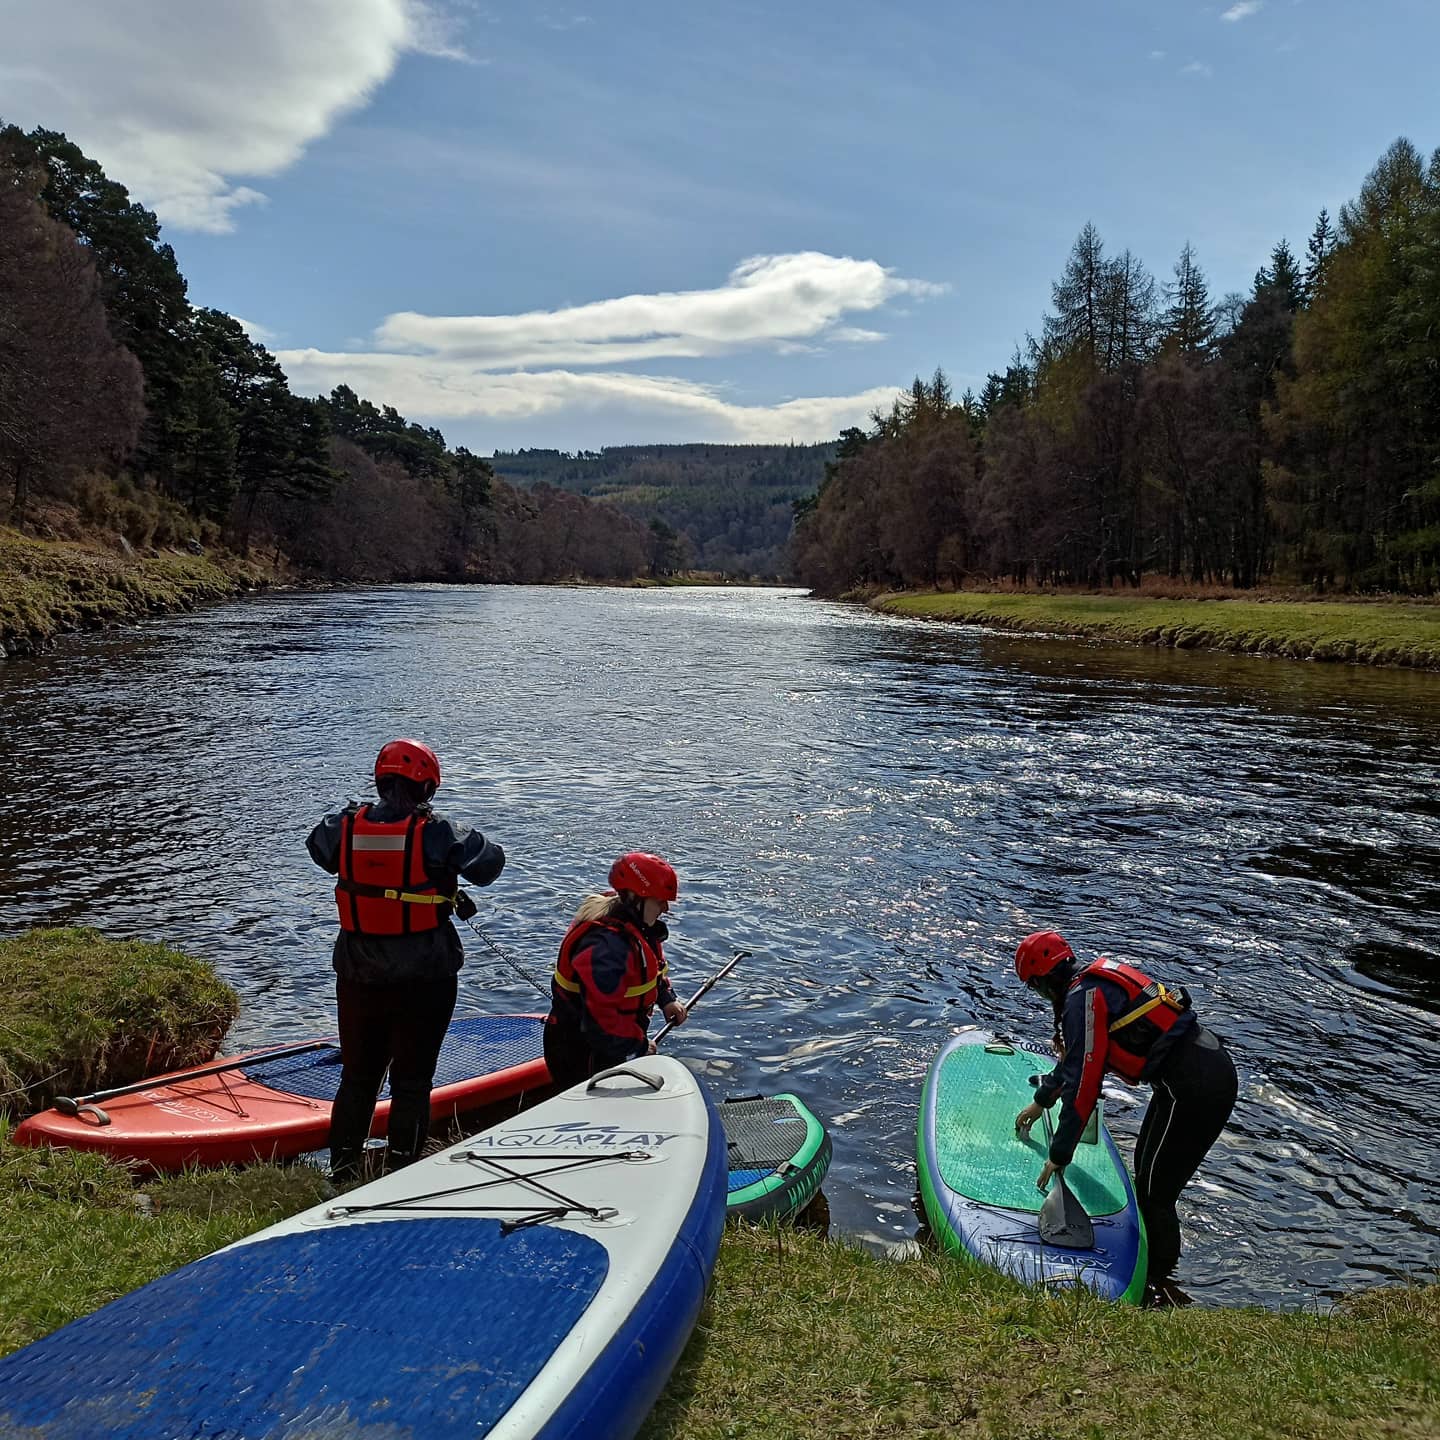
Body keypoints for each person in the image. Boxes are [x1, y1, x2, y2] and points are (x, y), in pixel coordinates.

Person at [307, 738, 504, 1181]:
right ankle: (401, 1171)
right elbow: (490, 865)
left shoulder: (342, 827)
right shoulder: (437, 833)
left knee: (358, 1078)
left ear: (380, 780)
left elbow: (316, 847)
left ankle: (340, 1174)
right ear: (427, 787)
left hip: (357, 974)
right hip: (426, 977)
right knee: (412, 1082)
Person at [1012, 929, 1238, 1307]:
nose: (1038, 996)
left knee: (1156, 1193)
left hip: (1198, 1088)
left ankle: (1158, 1289)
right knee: (1146, 1177)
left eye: (1034, 988)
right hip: (1185, 1082)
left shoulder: (1082, 998)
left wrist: (1059, 1153)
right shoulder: (1089, 988)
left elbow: (1084, 1085)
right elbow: (1075, 1063)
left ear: (1044, 980)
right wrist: (1042, 1100)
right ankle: (1158, 1277)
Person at [544, 851, 688, 1087]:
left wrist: (666, 999)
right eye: (659, 901)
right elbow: (601, 1021)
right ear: (636, 898)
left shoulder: (639, 927)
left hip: (611, 1042)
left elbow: (651, 973)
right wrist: (638, 1044)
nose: (665, 909)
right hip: (581, 1049)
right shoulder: (606, 948)